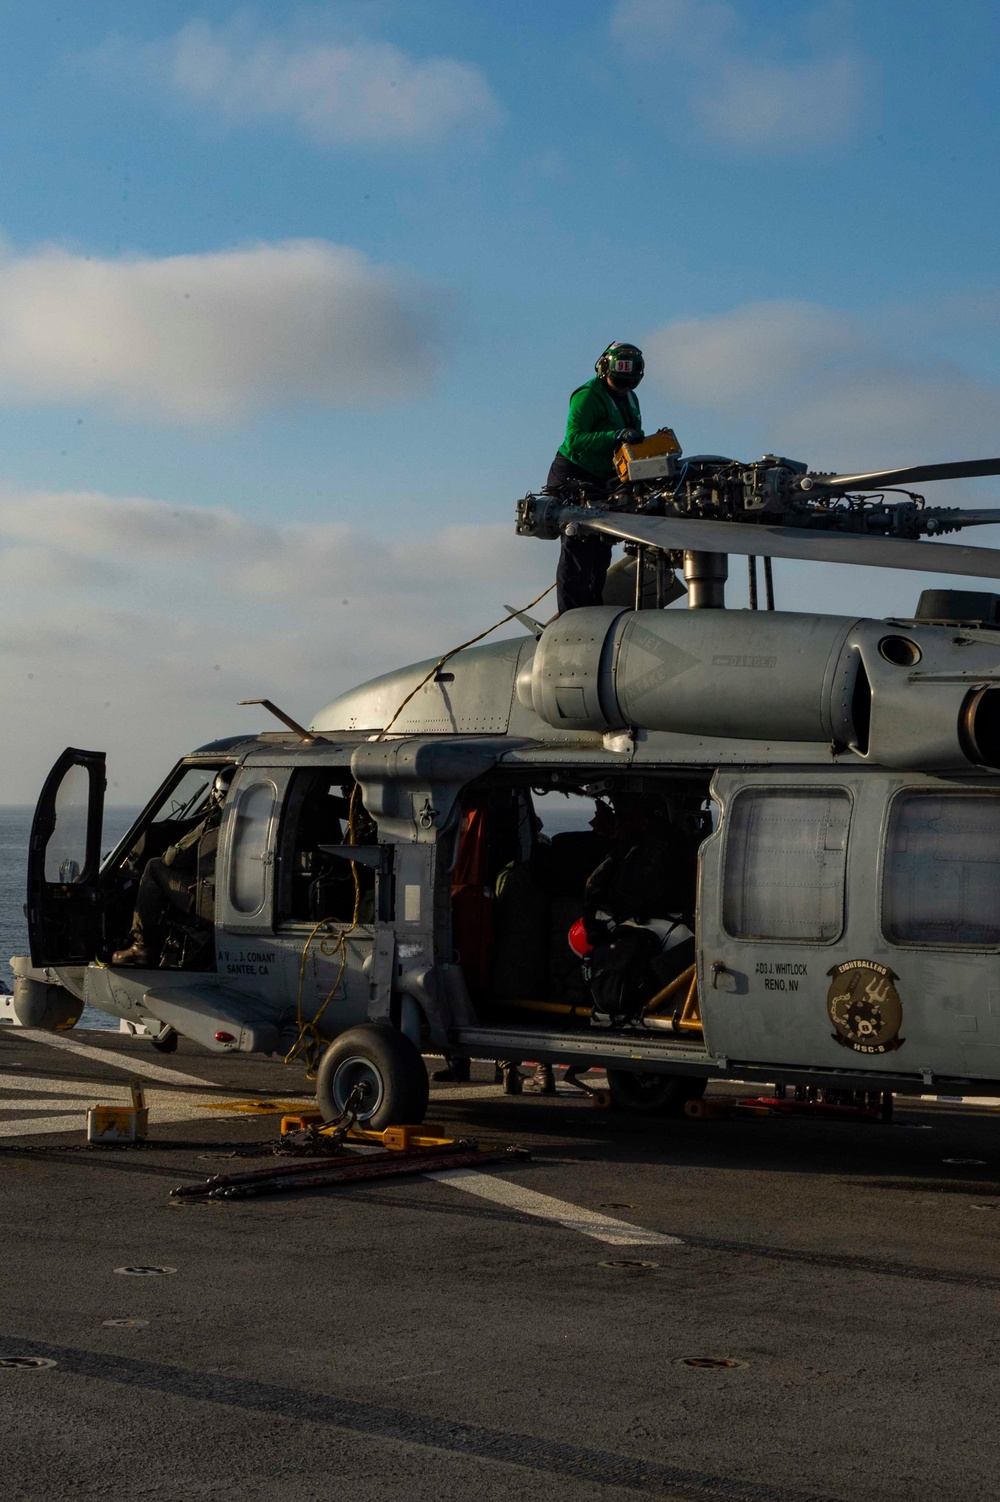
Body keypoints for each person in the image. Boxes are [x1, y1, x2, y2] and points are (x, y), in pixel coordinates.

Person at [547, 342, 645, 613]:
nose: (623, 388)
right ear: (604, 371)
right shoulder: (587, 396)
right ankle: (571, 615)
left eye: (629, 384)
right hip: (574, 474)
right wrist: (616, 436)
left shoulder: (630, 399)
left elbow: (632, 435)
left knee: (601, 549)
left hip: (605, 478)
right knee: (578, 546)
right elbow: (575, 440)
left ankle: (593, 611)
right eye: (619, 381)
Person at [112, 767, 236, 967]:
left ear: (217, 794)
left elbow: (172, 859)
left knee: (154, 867)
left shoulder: (215, 823)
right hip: (236, 899)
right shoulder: (255, 821)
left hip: (211, 900)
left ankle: (142, 946)